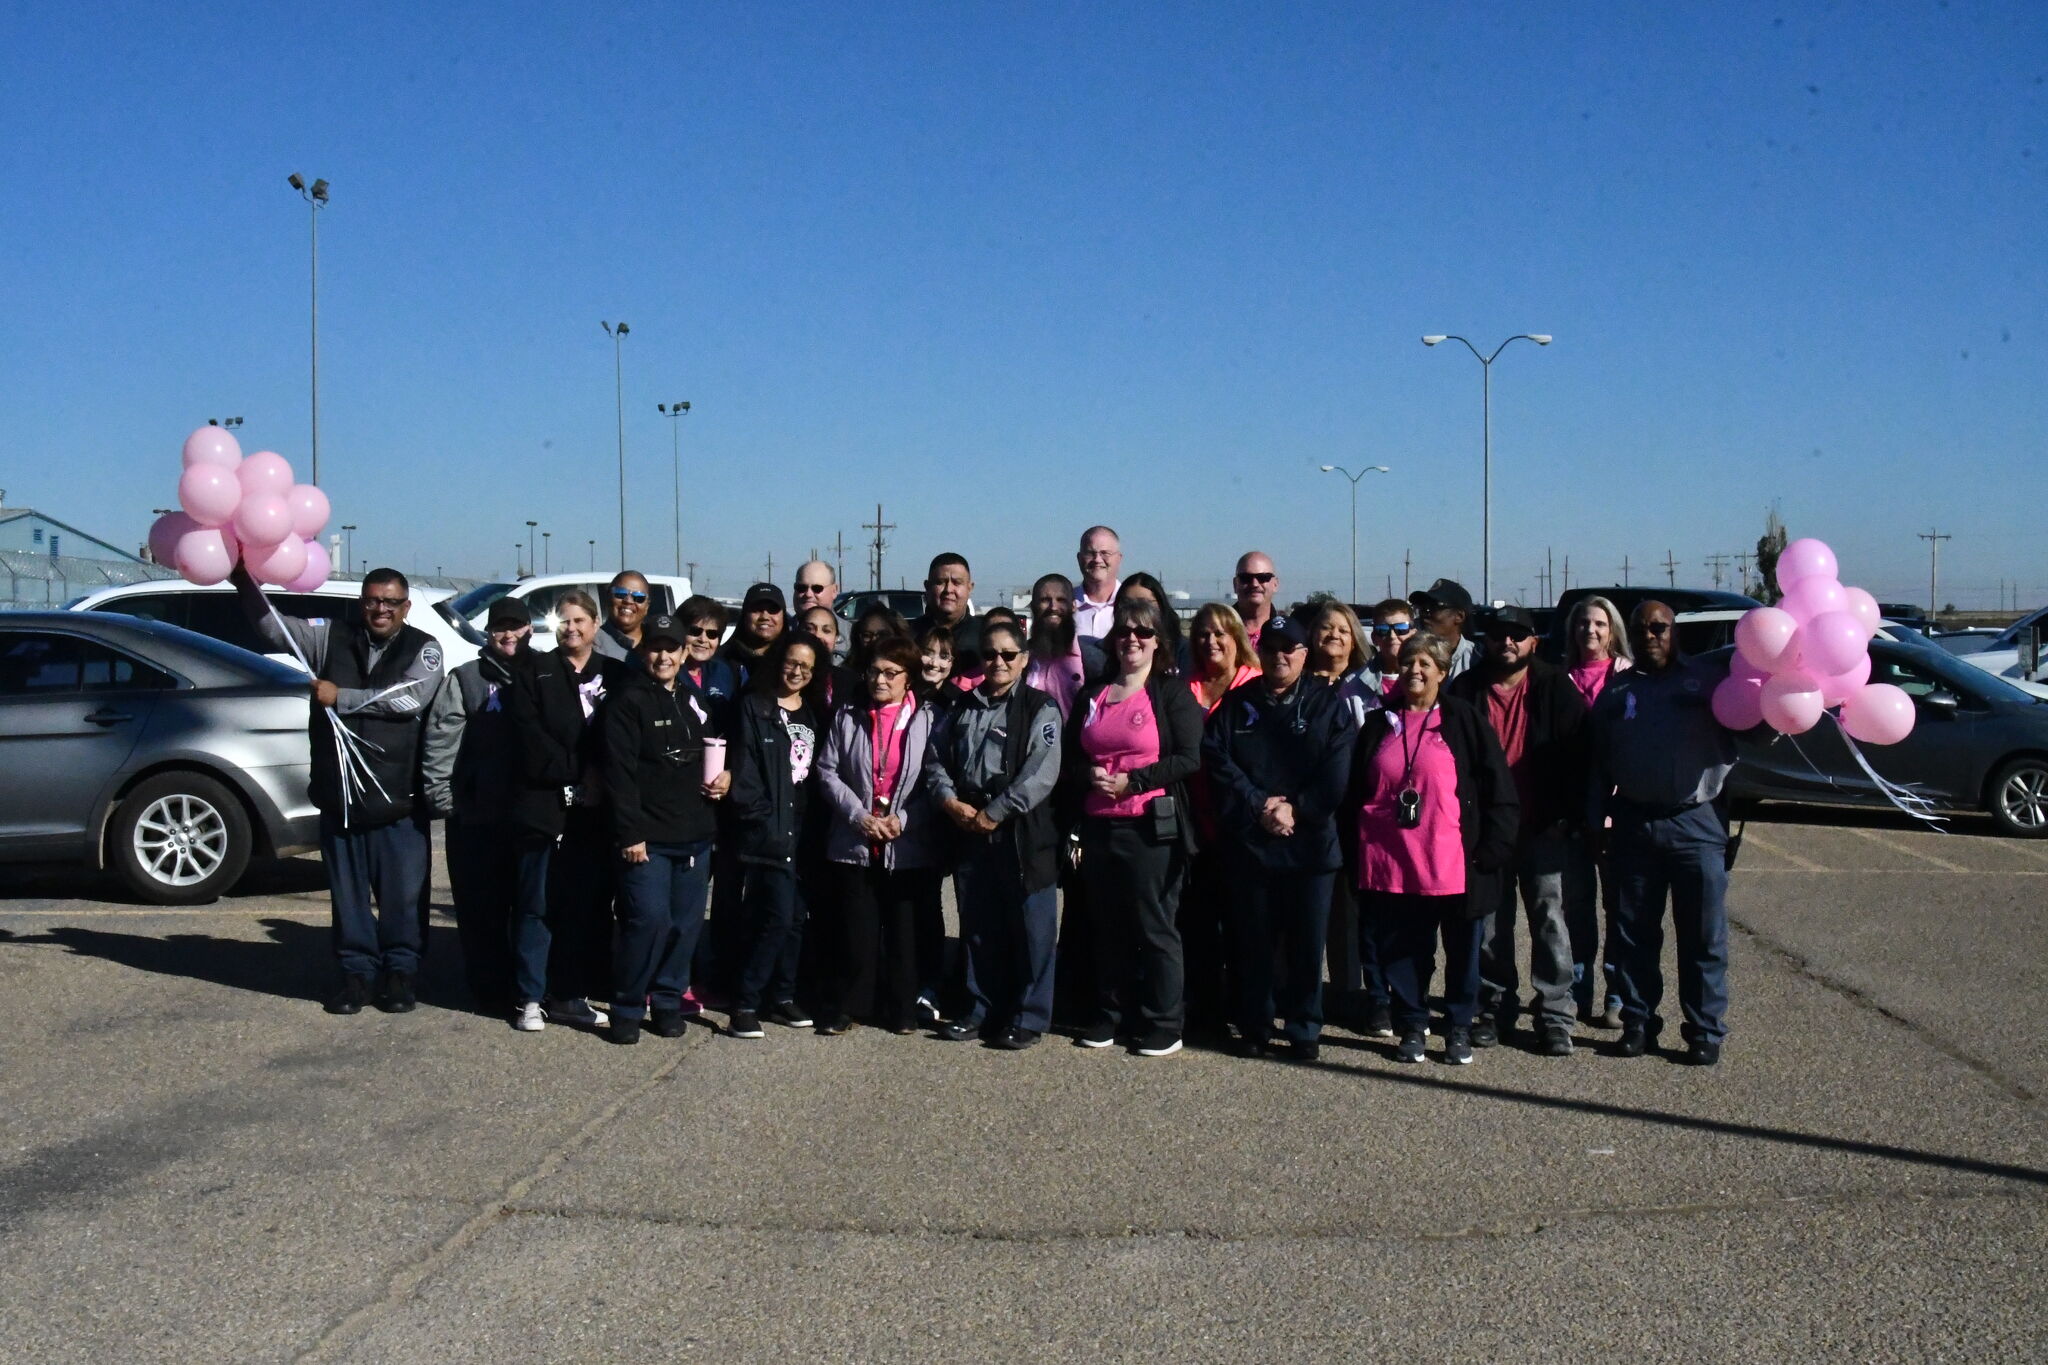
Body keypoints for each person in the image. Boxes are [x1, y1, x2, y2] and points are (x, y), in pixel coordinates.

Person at [233, 565, 445, 1014]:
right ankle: (356, 977)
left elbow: (410, 698)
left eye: (390, 602)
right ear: (361, 603)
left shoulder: (424, 648)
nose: (380, 609)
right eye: (372, 600)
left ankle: (401, 975)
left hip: (398, 802)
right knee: (348, 902)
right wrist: (242, 581)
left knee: (403, 900)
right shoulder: (329, 635)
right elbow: (275, 629)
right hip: (341, 799)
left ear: (405, 607)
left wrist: (340, 697)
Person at [1344, 631, 1518, 1065]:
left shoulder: (1463, 720)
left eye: (1425, 663)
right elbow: (1355, 792)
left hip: (1453, 862)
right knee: (1402, 952)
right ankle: (1411, 1022)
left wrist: (1493, 849)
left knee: (1462, 951)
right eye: (1407, 663)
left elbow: (1499, 787)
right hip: (1392, 863)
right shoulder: (1380, 722)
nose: (1414, 671)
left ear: (1443, 671)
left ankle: (1458, 1026)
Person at [1586, 601, 1736, 1066]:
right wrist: (1596, 821)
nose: (1652, 635)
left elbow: (1755, 730)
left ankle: (1704, 1031)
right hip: (1634, 824)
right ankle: (1637, 1022)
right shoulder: (1616, 692)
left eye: (1660, 627)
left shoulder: (1710, 683)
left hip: (1696, 824)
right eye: (1642, 629)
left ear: (1675, 632)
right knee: (1633, 933)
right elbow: (1598, 763)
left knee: (1703, 937)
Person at [1200, 615, 1357, 1062]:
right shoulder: (1236, 705)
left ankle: (1305, 1027)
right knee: (1254, 943)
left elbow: (1337, 770)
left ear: (1305, 655)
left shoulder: (1330, 706)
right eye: (1270, 648)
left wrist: (1297, 809)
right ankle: (1255, 1024)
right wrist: (1260, 805)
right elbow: (1218, 760)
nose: (1280, 656)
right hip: (1253, 845)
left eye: (1290, 648)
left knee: (1308, 946)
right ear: (1260, 654)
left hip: (1310, 847)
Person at [1064, 598, 1205, 1057]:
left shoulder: (1170, 692)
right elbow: (1071, 754)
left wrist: (1134, 781)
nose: (1132, 639)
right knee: (1107, 926)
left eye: (1143, 632)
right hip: (1099, 826)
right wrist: (1089, 774)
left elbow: (1188, 757)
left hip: (1150, 826)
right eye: (1124, 630)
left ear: (1158, 641)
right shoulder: (1095, 694)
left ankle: (1164, 1021)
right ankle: (1111, 1014)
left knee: (1155, 925)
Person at [1448, 605, 1589, 1057]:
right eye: (1497, 635)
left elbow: (1580, 755)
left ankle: (1554, 1015)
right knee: (1490, 923)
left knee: (1549, 919)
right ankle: (1493, 1009)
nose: (1506, 642)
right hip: (1486, 828)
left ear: (1533, 642)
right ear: (1484, 641)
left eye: (1516, 635)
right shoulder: (1465, 690)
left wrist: (1570, 814)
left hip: (1543, 826)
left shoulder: (1553, 686)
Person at [924, 620, 1063, 1049]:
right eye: (990, 654)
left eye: (1007, 654)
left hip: (1019, 833)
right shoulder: (963, 706)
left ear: (1023, 659)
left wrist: (996, 813)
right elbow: (935, 759)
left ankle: (1028, 1016)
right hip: (969, 826)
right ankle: (979, 1009)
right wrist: (949, 801)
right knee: (979, 925)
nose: (998, 662)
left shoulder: (1042, 708)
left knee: (1031, 930)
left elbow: (1041, 774)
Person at [603, 612, 728, 1044]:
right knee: (648, 921)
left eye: (670, 648)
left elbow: (713, 749)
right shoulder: (627, 701)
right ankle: (628, 1004)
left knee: (684, 925)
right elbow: (618, 775)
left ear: (682, 652)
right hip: (648, 838)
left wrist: (724, 777)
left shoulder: (693, 698)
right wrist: (630, 834)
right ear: (643, 650)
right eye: (655, 647)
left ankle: (668, 1001)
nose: (663, 655)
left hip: (694, 833)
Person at [505, 588, 626, 1033]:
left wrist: (601, 778)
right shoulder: (533, 672)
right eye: (563, 620)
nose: (571, 628)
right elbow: (529, 740)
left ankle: (570, 994)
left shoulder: (614, 673)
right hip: (543, 809)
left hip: (595, 815)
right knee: (536, 906)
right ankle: (529, 997)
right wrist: (581, 777)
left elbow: (623, 738)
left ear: (596, 625)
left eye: (579, 620)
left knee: (580, 907)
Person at [814, 636, 945, 1034]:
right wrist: (858, 815)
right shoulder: (848, 714)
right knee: (857, 930)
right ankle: (850, 1006)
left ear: (909, 678)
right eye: (874, 671)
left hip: (907, 845)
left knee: (904, 932)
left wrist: (903, 819)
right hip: (855, 841)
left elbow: (934, 782)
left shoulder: (929, 718)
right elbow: (827, 770)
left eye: (891, 673)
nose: (880, 680)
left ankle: (901, 1010)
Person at [422, 595, 529, 1013]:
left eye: (515, 626)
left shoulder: (544, 672)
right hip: (476, 816)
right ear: (488, 633)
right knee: (479, 909)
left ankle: (527, 986)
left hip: (526, 815)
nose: (508, 634)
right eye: (499, 627)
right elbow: (440, 740)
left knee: (527, 908)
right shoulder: (465, 678)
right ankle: (487, 989)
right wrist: (444, 799)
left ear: (527, 630)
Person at [724, 632, 826, 1038]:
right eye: (791, 662)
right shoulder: (756, 706)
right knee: (775, 917)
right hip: (770, 829)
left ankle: (782, 996)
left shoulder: (812, 711)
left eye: (806, 666)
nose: (796, 671)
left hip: (804, 829)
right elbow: (744, 770)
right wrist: (762, 820)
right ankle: (745, 1002)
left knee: (796, 917)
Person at [1179, 602, 1261, 1032]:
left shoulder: (1256, 685)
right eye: (1203, 634)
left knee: (1243, 924)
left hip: (1242, 826)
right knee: (1197, 921)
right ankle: (1204, 1008)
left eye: (1220, 634)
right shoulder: (1183, 686)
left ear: (1238, 640)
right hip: (1193, 822)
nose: (1211, 641)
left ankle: (1244, 1010)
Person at [1302, 597, 1382, 1036]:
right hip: (1306, 813)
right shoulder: (1298, 682)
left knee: (1349, 911)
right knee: (1304, 908)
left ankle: (1349, 994)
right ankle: (1301, 992)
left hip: (1355, 813)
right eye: (1326, 628)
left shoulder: (1367, 688)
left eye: (1343, 630)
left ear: (1356, 639)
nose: (1333, 635)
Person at [1563, 594, 1632, 1028]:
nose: (1591, 630)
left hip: (1618, 811)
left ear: (1613, 631)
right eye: (1583, 623)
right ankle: (1577, 989)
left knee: (1620, 908)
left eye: (1600, 624)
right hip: (1571, 811)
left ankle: (1619, 993)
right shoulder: (1559, 678)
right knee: (1576, 907)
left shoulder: (1628, 677)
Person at [1023, 572, 1105, 719]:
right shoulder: (1021, 658)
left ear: (1073, 605)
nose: (1053, 607)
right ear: (1033, 605)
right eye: (1044, 600)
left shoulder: (1094, 658)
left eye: (1061, 600)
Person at [909, 553, 981, 686]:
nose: (948, 589)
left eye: (957, 582)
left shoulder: (984, 637)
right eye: (940, 582)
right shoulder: (910, 635)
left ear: (970, 588)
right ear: (927, 586)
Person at [1115, 572, 1184, 674]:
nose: (1135, 608)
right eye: (1126, 603)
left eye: (1144, 603)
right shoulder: (1107, 651)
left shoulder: (1183, 651)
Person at [720, 582, 787, 687]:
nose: (765, 616)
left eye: (773, 610)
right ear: (745, 615)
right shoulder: (721, 660)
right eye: (757, 609)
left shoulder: (791, 661)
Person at [1409, 579, 1478, 678]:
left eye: (1433, 607)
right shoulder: (1409, 655)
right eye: (1422, 608)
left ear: (1459, 616)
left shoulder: (1476, 659)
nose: (1425, 614)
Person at [798, 605, 861, 712]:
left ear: (836, 638)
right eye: (809, 629)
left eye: (826, 630)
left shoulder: (850, 682)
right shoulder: (787, 677)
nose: (817, 635)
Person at [1358, 598, 1416, 698]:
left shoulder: (1430, 678)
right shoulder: (1355, 686)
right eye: (1383, 630)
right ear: (1374, 637)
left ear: (1414, 634)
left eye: (1401, 628)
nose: (1392, 636)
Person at [1073, 526, 1123, 640]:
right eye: (1090, 553)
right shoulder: (1064, 606)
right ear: (1079, 558)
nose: (1097, 559)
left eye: (1105, 553)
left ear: (1119, 558)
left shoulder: (1133, 604)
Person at [594, 570, 652, 661]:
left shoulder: (657, 641)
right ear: (608, 597)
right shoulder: (593, 644)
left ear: (647, 606)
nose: (628, 601)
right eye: (620, 593)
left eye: (639, 597)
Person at [792, 559, 843, 660]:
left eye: (817, 588)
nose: (808, 594)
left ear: (834, 590)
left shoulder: (852, 637)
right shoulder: (780, 633)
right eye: (801, 588)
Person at [1232, 552, 1280, 648]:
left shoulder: (1288, 634)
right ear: (1235, 584)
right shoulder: (1218, 631)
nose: (1254, 584)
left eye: (1263, 577)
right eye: (1245, 578)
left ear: (1275, 584)